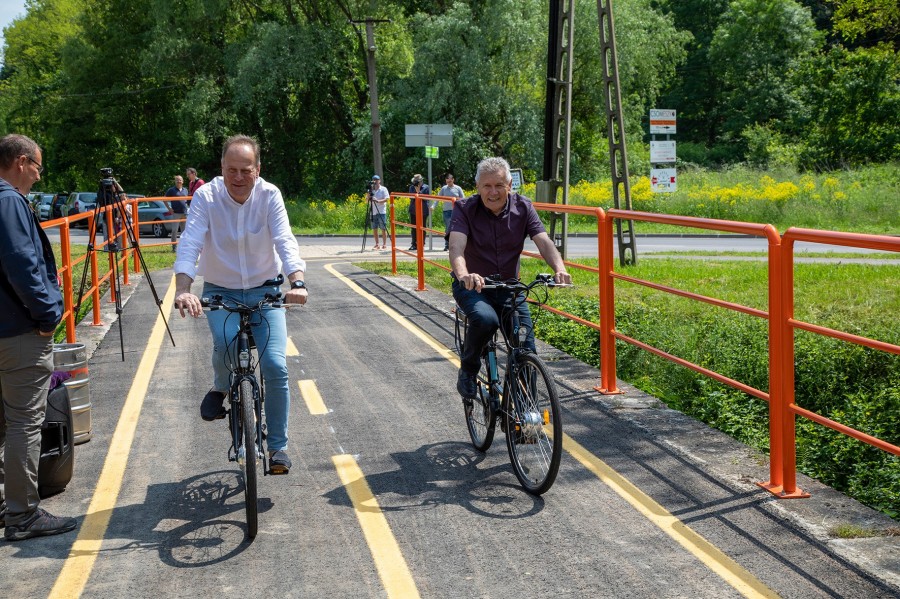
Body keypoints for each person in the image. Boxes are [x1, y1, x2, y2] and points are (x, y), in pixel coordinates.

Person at [173, 135, 308, 474]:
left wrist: (298, 282)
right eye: (231, 169)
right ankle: (221, 386)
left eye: (245, 170)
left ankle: (278, 448)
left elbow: (284, 239)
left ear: (257, 170)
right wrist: (184, 289)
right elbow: (190, 242)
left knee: (276, 367)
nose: (237, 177)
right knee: (224, 344)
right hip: (222, 290)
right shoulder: (206, 196)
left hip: (266, 291)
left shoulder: (269, 195)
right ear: (221, 168)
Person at [0, 134, 78, 541]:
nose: (38, 175)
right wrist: (49, 316)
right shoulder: (9, 200)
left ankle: (7, 505)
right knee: (25, 422)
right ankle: (22, 515)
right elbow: (23, 265)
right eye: (38, 167)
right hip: (17, 331)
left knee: (3, 423)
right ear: (22, 161)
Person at [448, 157, 572, 400]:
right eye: (487, 186)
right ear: (478, 187)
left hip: (509, 288)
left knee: (526, 345)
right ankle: (469, 370)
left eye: (499, 185)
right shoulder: (464, 209)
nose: (493, 192)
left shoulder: (523, 207)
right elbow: (456, 248)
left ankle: (527, 412)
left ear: (510, 185)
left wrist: (559, 268)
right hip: (473, 287)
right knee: (485, 320)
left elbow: (544, 242)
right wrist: (464, 275)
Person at [438, 173, 464, 251]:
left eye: (450, 181)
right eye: (447, 181)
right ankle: (447, 245)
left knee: (455, 228)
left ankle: (455, 244)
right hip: (446, 211)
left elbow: (463, 198)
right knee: (448, 227)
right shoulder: (444, 188)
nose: (448, 183)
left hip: (455, 210)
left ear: (453, 180)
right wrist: (433, 206)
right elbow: (438, 198)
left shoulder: (458, 188)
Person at [164, 175, 188, 251]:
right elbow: (164, 199)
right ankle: (174, 247)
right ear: (175, 181)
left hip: (184, 213)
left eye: (180, 180)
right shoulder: (171, 190)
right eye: (177, 180)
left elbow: (187, 200)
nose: (179, 181)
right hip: (176, 213)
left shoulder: (185, 190)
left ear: (183, 181)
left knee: (184, 231)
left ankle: (183, 247)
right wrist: (169, 209)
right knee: (174, 230)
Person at [407, 174, 430, 251]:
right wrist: (415, 190)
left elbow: (425, 198)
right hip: (413, 210)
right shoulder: (411, 187)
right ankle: (414, 244)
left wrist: (418, 192)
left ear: (421, 181)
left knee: (422, 228)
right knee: (414, 228)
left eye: (417, 181)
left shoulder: (426, 187)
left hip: (423, 210)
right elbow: (411, 197)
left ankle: (421, 243)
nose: (416, 183)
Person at [367, 175, 390, 250]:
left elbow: (386, 199)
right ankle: (377, 244)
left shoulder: (383, 189)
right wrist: (368, 193)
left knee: (383, 228)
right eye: (374, 180)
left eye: (376, 180)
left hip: (381, 211)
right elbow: (367, 200)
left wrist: (378, 201)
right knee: (374, 228)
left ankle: (384, 244)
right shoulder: (371, 190)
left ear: (379, 181)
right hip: (373, 211)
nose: (375, 181)